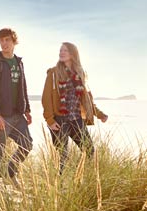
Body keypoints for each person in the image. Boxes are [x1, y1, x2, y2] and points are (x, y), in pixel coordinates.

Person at [41, 42, 108, 173]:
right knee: (62, 156)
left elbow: (86, 100)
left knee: (89, 150)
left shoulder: (80, 74)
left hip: (77, 119)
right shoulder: (53, 73)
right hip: (59, 120)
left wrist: (99, 114)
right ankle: (59, 185)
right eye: (60, 50)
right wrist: (49, 120)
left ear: (73, 54)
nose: (61, 52)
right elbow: (46, 98)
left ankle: (82, 178)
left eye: (65, 50)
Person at [0, 28, 33, 188]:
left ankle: (11, 170)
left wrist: (27, 109)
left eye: (7, 40)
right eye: (1, 40)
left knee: (27, 144)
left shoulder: (19, 62)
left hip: (18, 115)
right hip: (2, 116)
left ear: (14, 41)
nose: (4, 44)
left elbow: (22, 87)